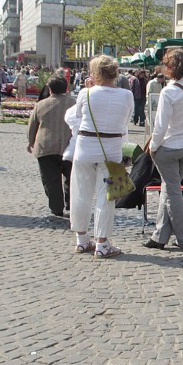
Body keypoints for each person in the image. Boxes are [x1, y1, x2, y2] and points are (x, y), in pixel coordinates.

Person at [69, 55, 133, 258]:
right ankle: (102, 243)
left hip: (85, 146)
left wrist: (88, 90)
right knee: (106, 197)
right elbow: (126, 119)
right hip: (111, 148)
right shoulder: (126, 95)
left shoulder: (85, 93)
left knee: (80, 193)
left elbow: (77, 116)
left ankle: (81, 240)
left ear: (95, 73)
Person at [144, 49, 183, 250]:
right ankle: (159, 237)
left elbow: (160, 125)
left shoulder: (169, 92)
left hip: (169, 147)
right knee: (169, 188)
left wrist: (153, 146)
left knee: (172, 192)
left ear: (170, 68)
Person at [27, 77, 76, 218]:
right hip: (70, 146)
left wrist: (30, 142)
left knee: (51, 180)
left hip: (46, 147)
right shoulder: (74, 103)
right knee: (72, 177)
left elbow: (32, 125)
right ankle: (72, 205)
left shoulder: (41, 105)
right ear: (66, 88)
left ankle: (56, 207)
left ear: (49, 89)